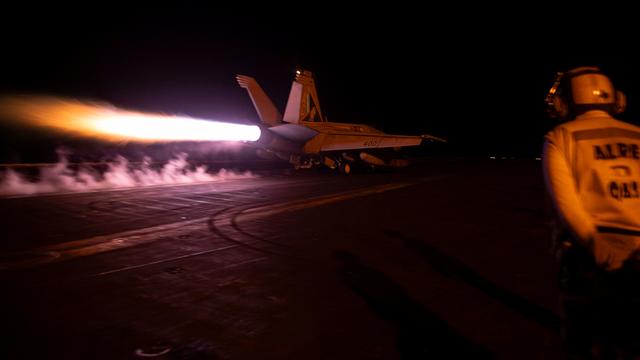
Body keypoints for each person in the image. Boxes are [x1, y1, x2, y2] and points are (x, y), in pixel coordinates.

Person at [543, 66, 640, 359]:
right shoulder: (637, 135)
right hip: (637, 253)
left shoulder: (560, 137)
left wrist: (599, 246)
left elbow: (566, 204)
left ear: (569, 99)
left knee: (584, 342)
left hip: (587, 256)